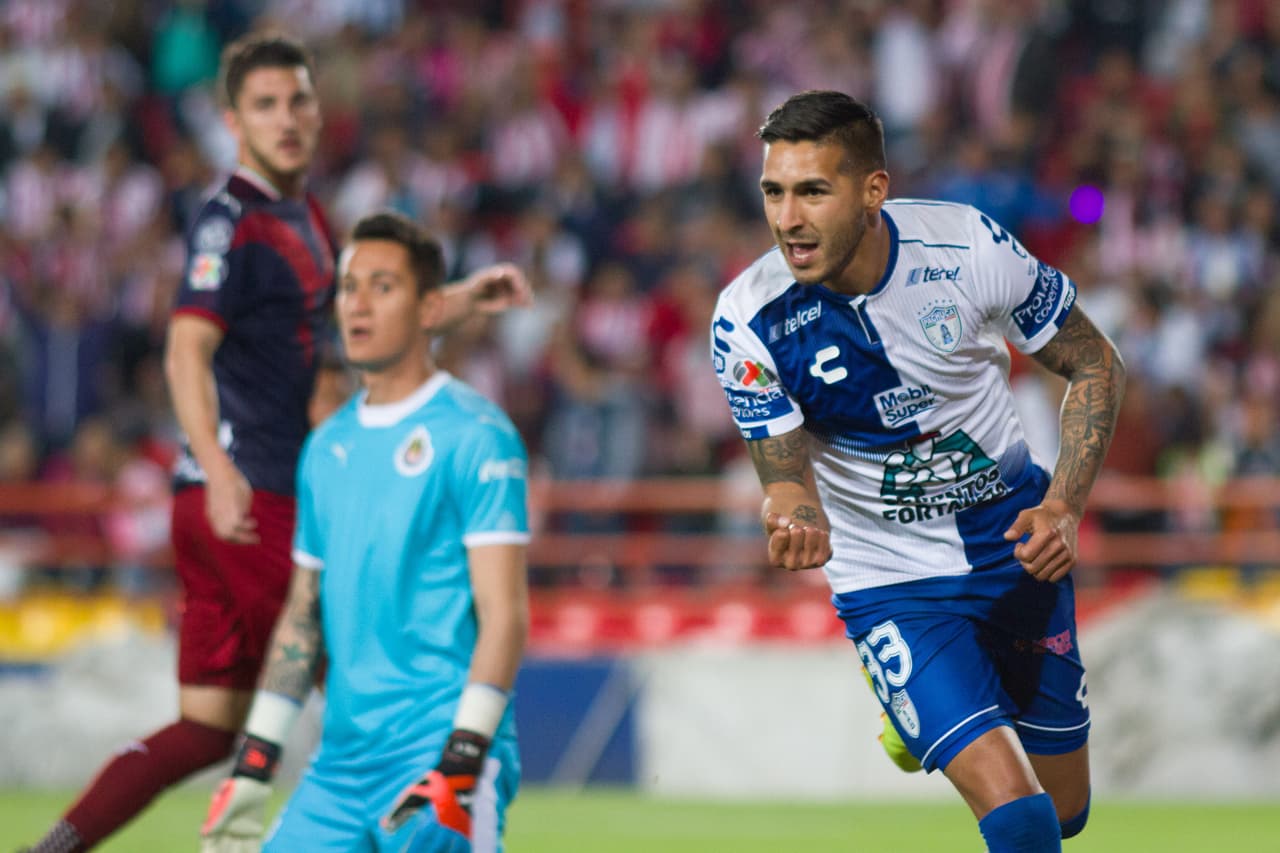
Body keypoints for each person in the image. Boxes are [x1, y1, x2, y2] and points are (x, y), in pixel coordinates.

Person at [25, 32, 529, 853]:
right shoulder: (234, 220)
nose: (286, 118)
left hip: (219, 501)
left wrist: (460, 297)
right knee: (373, 677)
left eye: (298, 99)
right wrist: (221, 470)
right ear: (233, 121)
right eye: (265, 105)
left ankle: (56, 845)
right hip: (253, 494)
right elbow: (185, 346)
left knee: (202, 725)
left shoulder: (304, 215)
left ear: (318, 109)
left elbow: (363, 333)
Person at [711, 91, 1124, 852]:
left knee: (1066, 810)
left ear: (873, 190)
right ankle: (919, 691)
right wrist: (792, 507)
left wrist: (1065, 503)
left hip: (1016, 546)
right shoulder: (747, 317)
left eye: (813, 191)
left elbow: (1095, 364)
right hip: (889, 578)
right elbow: (784, 474)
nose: (788, 219)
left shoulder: (967, 248)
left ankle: (916, 714)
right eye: (774, 191)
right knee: (1023, 820)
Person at [200, 210, 529, 852]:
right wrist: (256, 757)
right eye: (350, 287)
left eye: (383, 286)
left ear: (431, 308)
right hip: (340, 765)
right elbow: (302, 616)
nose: (358, 303)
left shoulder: (477, 433)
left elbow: (505, 616)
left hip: (440, 751)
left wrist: (462, 759)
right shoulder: (325, 447)